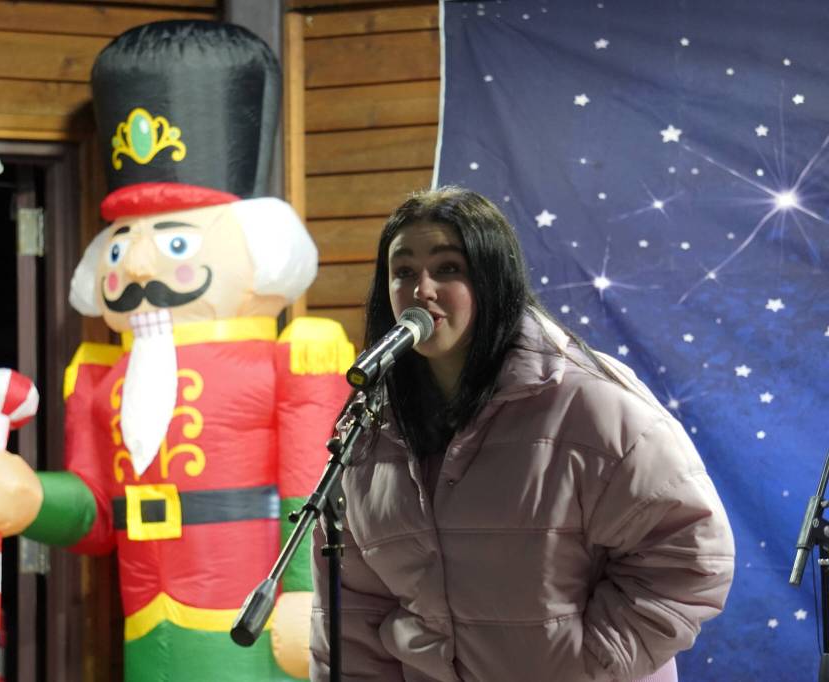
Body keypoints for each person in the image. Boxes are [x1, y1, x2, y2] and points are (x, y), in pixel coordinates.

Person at [0, 21, 353, 682]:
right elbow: (97, 515)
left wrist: (309, 596)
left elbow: (318, 490)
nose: (135, 263)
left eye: (176, 241)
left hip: (252, 618)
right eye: (118, 242)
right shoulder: (103, 377)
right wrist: (25, 499)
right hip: (146, 618)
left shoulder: (293, 360)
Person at [309, 186, 734, 682]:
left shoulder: (588, 402)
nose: (421, 289)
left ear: (492, 279)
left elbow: (690, 554)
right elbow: (355, 612)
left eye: (448, 268)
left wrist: (586, 665)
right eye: (403, 272)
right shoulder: (370, 432)